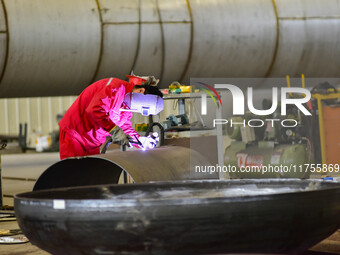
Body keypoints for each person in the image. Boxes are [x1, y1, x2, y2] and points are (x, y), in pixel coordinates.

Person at [58, 74, 164, 160]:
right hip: (75, 136)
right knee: (73, 177)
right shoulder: (114, 88)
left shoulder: (127, 105)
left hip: (93, 143)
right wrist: (116, 132)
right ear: (141, 91)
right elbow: (95, 111)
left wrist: (140, 140)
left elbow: (125, 126)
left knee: (90, 179)